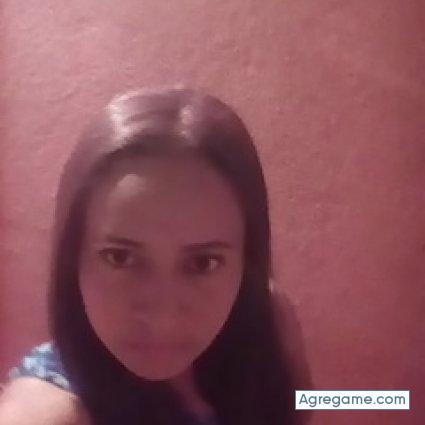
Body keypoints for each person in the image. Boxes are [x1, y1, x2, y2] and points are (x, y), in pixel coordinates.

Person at [0, 86, 312, 425]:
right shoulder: (51, 411)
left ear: (246, 261)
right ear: (73, 258)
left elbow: (299, 405)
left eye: (203, 263)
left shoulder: (268, 320)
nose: (163, 318)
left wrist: (356, 400)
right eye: (120, 258)